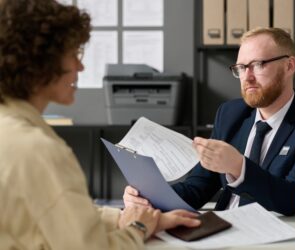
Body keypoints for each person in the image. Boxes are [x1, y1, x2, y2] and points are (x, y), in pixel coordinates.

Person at [0, 0, 200, 249]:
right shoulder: (39, 150)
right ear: (42, 62)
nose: (81, 66)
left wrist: (127, 218)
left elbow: (62, 211)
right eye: (74, 55)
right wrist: (138, 228)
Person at [123, 27, 295, 216]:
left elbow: (294, 199)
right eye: (240, 68)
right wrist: (152, 198)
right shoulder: (231, 114)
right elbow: (198, 186)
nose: (247, 77)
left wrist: (238, 166)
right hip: (222, 230)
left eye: (258, 65)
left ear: (289, 66)